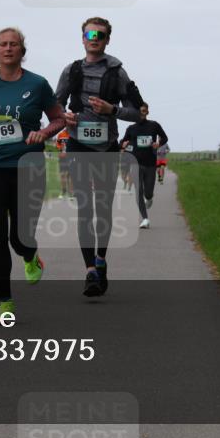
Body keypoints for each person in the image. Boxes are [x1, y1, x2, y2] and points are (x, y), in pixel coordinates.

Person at [0, 27, 65, 316]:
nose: (8, 48)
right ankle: (5, 302)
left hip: (28, 168)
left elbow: (58, 119)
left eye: (13, 44)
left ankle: (30, 256)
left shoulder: (37, 84)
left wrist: (44, 133)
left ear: (22, 51)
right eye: (3, 44)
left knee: (20, 238)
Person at [55, 17, 144, 298]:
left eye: (100, 35)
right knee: (85, 208)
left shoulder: (117, 72)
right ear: (82, 38)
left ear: (107, 40)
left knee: (103, 208)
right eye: (89, 34)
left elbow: (139, 112)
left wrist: (111, 110)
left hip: (106, 147)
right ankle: (90, 271)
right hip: (78, 144)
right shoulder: (71, 70)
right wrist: (65, 117)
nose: (94, 39)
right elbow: (55, 105)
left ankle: (101, 259)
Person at [120, 103, 169, 229]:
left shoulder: (154, 125)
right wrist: (123, 144)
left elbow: (165, 138)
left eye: (143, 111)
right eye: (139, 111)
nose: (141, 113)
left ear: (147, 112)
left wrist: (158, 143)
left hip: (150, 163)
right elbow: (123, 141)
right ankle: (145, 219)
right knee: (138, 192)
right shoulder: (131, 128)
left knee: (148, 192)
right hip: (136, 163)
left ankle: (149, 198)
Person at [55, 128, 71, 198]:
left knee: (70, 175)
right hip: (62, 158)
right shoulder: (60, 134)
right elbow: (57, 145)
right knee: (62, 175)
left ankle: (71, 193)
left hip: (70, 158)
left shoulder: (73, 134)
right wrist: (60, 150)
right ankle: (63, 191)